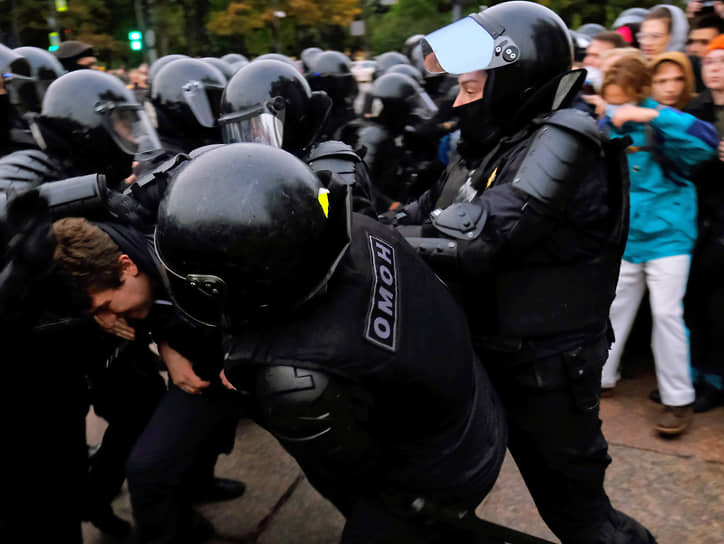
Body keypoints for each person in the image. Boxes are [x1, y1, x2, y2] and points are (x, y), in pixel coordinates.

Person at [386, 2, 658, 542]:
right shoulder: (490, 144)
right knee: (419, 497)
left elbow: (482, 236)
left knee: (582, 520)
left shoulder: (567, 138)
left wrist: (394, 240)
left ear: (514, 74)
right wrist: (330, 207)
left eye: (469, 86)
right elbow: (414, 216)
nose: (457, 101)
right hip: (478, 354)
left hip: (546, 371)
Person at [153, 142, 508, 543]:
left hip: (436, 475)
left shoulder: (294, 380)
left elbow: (353, 471)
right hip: (472, 410)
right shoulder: (354, 228)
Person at [51, 214, 247, 544]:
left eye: (106, 307)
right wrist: (167, 345)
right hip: (201, 376)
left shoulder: (196, 244)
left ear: (126, 266)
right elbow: (154, 308)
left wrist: (241, 354)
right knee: (148, 470)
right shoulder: (112, 273)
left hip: (263, 366)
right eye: (97, 313)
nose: (108, 320)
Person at [597, 55, 718, 434]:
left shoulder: (662, 120)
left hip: (669, 233)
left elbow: (706, 143)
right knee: (616, 306)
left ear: (638, 93)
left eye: (622, 99)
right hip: (630, 232)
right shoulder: (610, 121)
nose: (616, 106)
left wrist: (655, 117)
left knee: (666, 315)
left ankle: (677, 399)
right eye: (611, 99)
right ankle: (601, 378)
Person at [683, 34, 724, 412]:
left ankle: (714, 381)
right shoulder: (697, 108)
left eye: (722, 62)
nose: (715, 69)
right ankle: (694, 377)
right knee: (695, 303)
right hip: (701, 220)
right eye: (710, 62)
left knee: (718, 309)